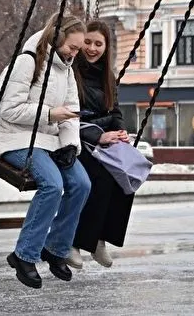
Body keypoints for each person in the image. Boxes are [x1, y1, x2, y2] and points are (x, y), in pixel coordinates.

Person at [0, 13, 91, 289]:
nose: (75, 53)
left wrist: (70, 144)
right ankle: (24, 255)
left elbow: (71, 113)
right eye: (72, 47)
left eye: (78, 49)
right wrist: (49, 114)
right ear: (56, 39)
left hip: (49, 139)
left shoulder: (66, 69)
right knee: (52, 185)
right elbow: (8, 109)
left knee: (81, 183)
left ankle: (56, 248)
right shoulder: (27, 62)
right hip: (14, 138)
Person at [69, 19, 132, 269]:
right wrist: (98, 135)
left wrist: (120, 131)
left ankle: (100, 239)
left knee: (126, 175)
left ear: (106, 47)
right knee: (102, 176)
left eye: (98, 44)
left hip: (102, 138)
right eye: (87, 42)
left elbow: (115, 110)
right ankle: (76, 241)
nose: (92, 49)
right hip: (76, 139)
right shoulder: (71, 72)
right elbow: (71, 114)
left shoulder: (108, 76)